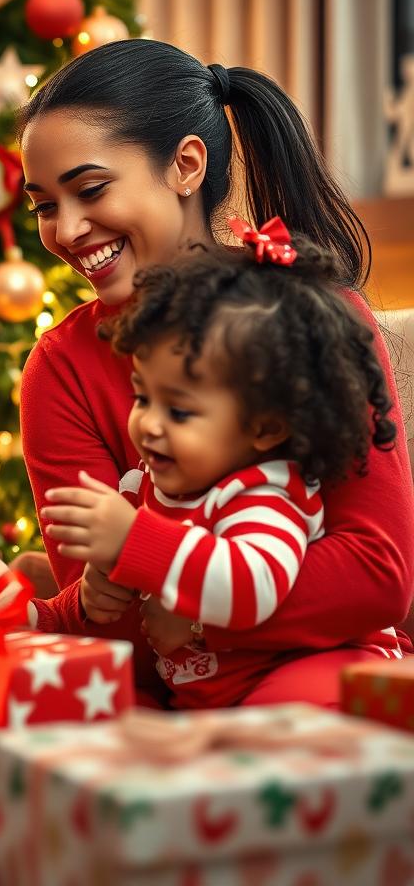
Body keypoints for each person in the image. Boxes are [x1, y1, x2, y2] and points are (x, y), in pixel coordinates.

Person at [0, 39, 414, 707]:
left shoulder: (313, 313)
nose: (67, 229)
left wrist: (182, 602)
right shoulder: (62, 368)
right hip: (180, 691)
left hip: (326, 670)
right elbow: (110, 615)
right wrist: (17, 603)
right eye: (44, 205)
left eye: (91, 189)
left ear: (186, 165)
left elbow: (375, 576)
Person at [31, 227, 401, 708]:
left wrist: (134, 543)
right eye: (143, 397)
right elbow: (96, 603)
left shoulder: (264, 494)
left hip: (315, 666)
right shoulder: (146, 487)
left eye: (180, 411)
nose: (149, 425)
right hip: (215, 696)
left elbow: (253, 584)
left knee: (282, 717)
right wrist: (59, 608)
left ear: (265, 428)